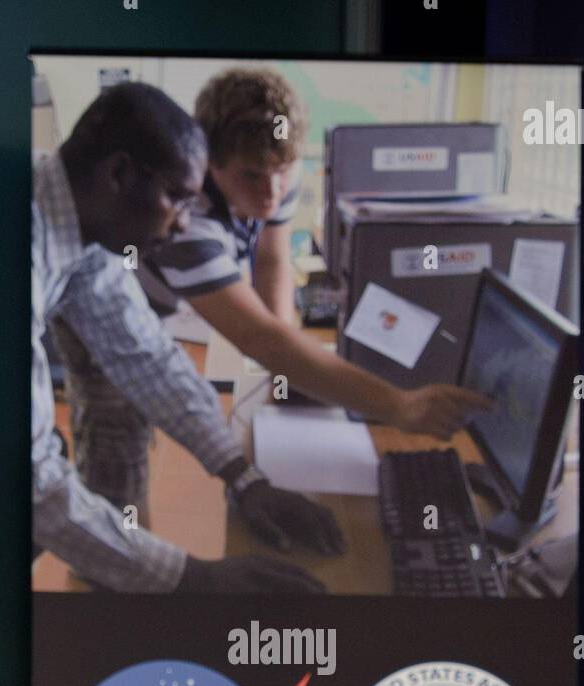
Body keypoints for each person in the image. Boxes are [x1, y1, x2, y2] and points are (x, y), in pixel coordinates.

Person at [33, 81, 341, 595]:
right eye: (176, 199)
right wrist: (195, 578)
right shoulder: (24, 245)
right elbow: (38, 487)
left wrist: (245, 478)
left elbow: (146, 357)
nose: (181, 225)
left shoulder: (80, 223)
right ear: (118, 175)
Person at [141, 66, 492, 440]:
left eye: (283, 170)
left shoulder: (274, 172)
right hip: (110, 322)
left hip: (163, 317)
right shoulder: (186, 219)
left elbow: (272, 260)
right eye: (252, 175)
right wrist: (397, 405)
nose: (272, 193)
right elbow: (257, 337)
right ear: (212, 160)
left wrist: (285, 369)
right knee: (122, 438)